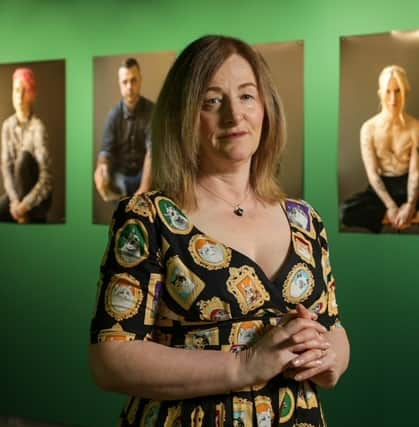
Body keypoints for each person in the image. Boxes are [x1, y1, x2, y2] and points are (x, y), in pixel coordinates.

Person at [89, 35, 350, 426]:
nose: (234, 116)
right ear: (184, 115)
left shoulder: (305, 220)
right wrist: (243, 366)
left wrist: (329, 359)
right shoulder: (148, 218)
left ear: (266, 107)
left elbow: (334, 329)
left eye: (246, 96)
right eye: (212, 101)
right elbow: (111, 359)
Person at [340, 65, 419, 234]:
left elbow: (415, 172)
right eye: (388, 91)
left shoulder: (416, 127)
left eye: (398, 91)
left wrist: (410, 205)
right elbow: (372, 174)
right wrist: (391, 207)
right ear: (380, 93)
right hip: (381, 189)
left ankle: (407, 216)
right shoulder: (368, 128)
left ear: (405, 92)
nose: (393, 99)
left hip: (407, 185)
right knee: (344, 213)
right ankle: (407, 217)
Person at [94, 58, 153, 202]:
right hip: (120, 178)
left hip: (145, 176)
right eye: (125, 82)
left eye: (133, 80)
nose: (129, 87)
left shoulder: (153, 112)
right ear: (119, 84)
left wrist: (144, 188)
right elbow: (105, 152)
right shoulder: (113, 116)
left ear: (141, 80)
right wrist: (101, 169)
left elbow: (153, 152)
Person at [0, 67, 52, 223]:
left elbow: (46, 178)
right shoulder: (7, 126)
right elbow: (6, 168)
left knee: (23, 158)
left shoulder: (38, 128)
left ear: (32, 95)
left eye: (25, 91)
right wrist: (15, 202)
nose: (20, 96)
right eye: (16, 90)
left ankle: (26, 215)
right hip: (15, 197)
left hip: (38, 198)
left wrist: (26, 205)